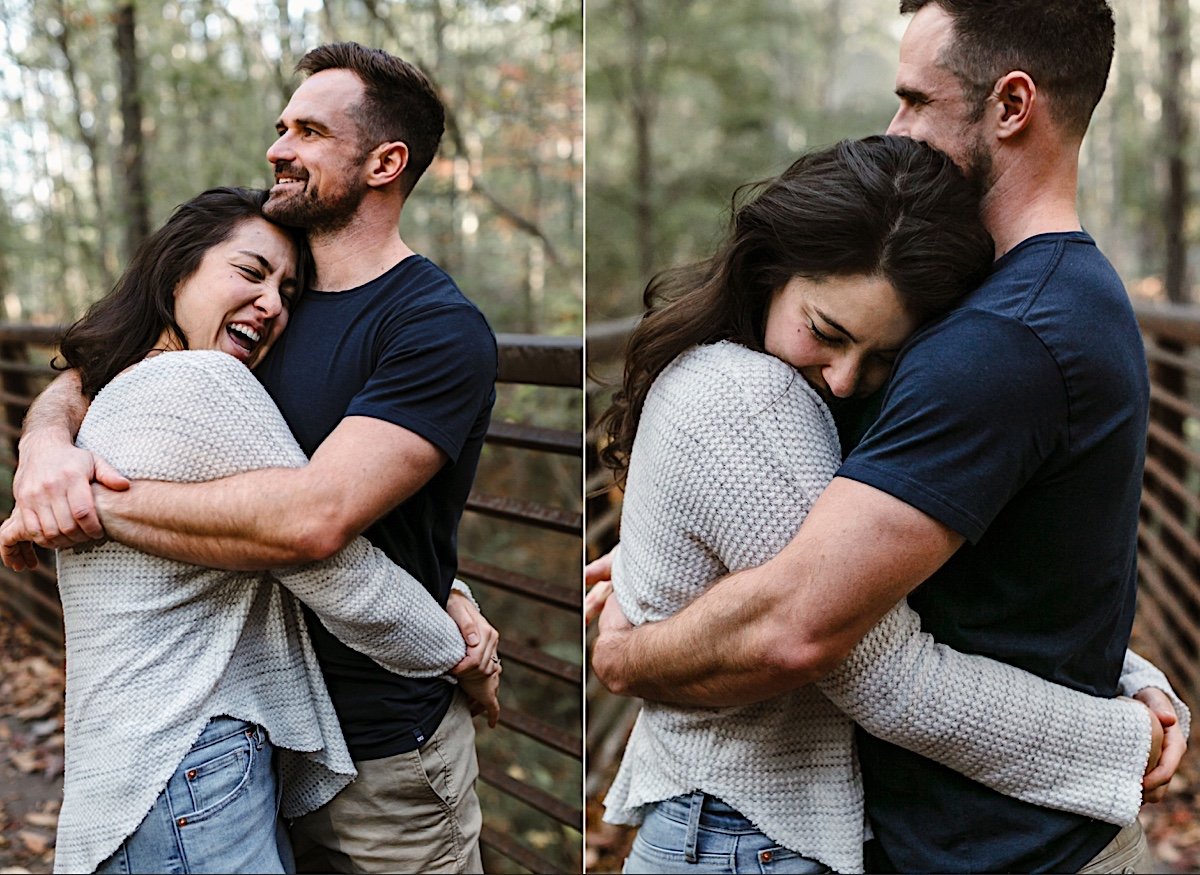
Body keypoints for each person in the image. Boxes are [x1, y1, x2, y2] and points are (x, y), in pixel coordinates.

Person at [590, 2, 1190, 872]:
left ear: (1011, 105)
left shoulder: (996, 336)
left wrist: (625, 651)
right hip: (798, 832)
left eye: (915, 99)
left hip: (1010, 849)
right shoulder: (1068, 295)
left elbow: (817, 622)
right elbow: (884, 598)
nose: (894, 128)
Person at [7, 44, 498, 875]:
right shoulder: (249, 323)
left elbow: (313, 517)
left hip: (382, 754)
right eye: (281, 127)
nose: (279, 146)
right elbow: (96, 380)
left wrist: (96, 504)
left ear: (385, 161)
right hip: (264, 740)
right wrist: (44, 445)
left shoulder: (431, 326)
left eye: (308, 129)